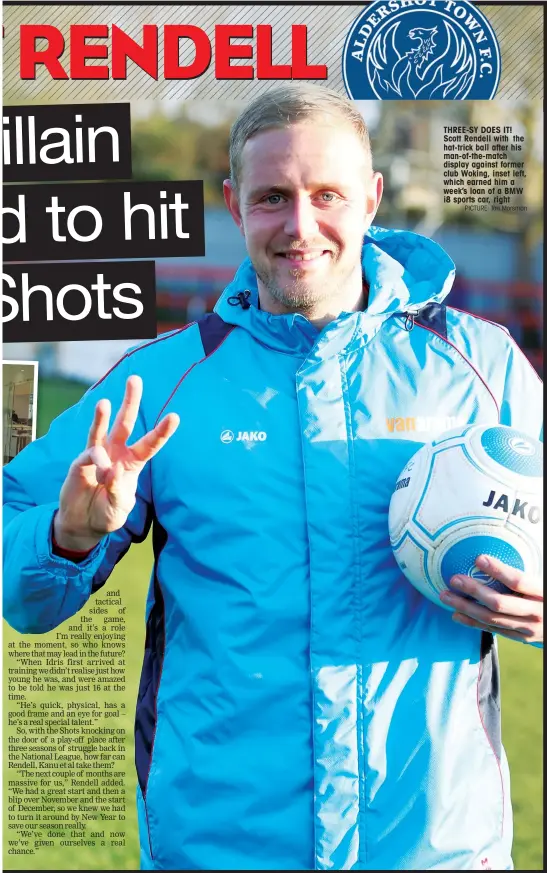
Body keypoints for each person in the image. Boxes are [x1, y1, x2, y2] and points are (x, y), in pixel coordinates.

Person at [3, 85, 543, 871]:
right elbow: (24, 591)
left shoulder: (482, 368)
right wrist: (66, 533)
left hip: (433, 847)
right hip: (221, 847)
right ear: (232, 203)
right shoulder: (160, 383)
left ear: (370, 198)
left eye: (326, 194)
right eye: (271, 197)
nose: (299, 225)